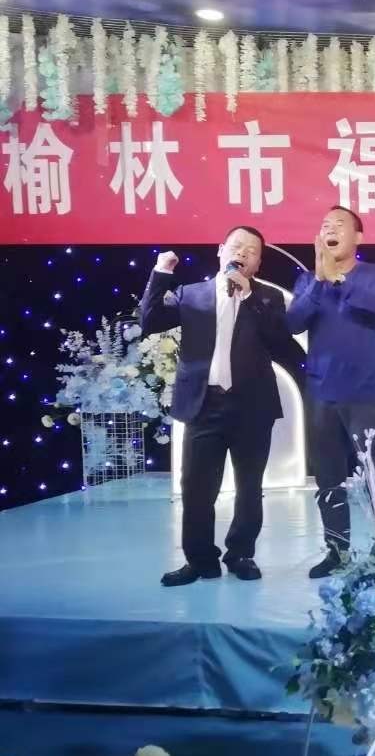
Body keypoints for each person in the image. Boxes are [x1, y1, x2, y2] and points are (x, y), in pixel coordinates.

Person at [139, 226, 304, 587]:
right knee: (197, 487)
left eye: (251, 250)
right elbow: (148, 321)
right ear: (220, 250)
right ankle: (200, 560)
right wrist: (161, 272)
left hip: (252, 406)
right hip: (204, 404)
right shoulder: (191, 294)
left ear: (258, 263)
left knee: (249, 486)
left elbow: (282, 343)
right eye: (236, 246)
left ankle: (240, 554)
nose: (242, 253)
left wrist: (250, 298)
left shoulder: (268, 298)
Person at [286, 205, 375, 578]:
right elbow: (293, 322)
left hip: (366, 393)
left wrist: (337, 280)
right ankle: (336, 551)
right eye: (325, 225)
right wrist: (320, 281)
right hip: (321, 393)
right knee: (328, 478)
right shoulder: (307, 280)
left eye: (339, 224)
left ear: (358, 237)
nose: (330, 229)